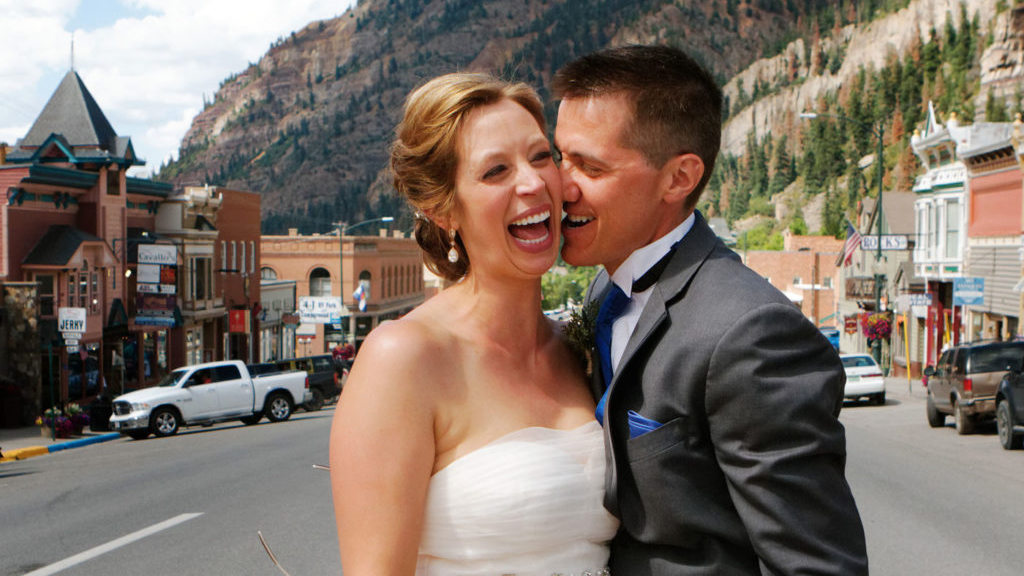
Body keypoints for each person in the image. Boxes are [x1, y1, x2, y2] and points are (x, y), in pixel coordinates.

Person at [552, 44, 868, 575]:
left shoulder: (751, 334)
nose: (560, 186)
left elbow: (817, 565)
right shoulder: (602, 294)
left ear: (679, 178)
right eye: (560, 157)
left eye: (589, 165)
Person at [330, 72, 618, 575]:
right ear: (443, 210)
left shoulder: (581, 348)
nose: (532, 183)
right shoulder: (402, 358)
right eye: (495, 171)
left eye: (541, 156)